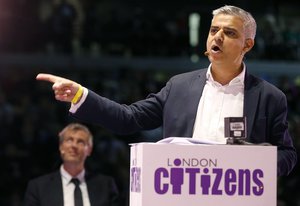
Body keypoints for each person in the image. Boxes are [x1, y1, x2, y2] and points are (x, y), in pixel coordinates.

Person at [36, 5, 297, 176]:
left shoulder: (270, 97)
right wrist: (81, 95)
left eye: (229, 33)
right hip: (181, 197)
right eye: (214, 30)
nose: (217, 37)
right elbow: (129, 119)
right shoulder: (179, 86)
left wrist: (253, 164)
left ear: (247, 45)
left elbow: (287, 156)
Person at [23, 123, 120, 206]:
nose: (74, 146)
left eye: (80, 142)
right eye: (69, 140)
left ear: (89, 150)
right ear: (61, 147)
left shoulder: (106, 185)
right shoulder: (38, 187)